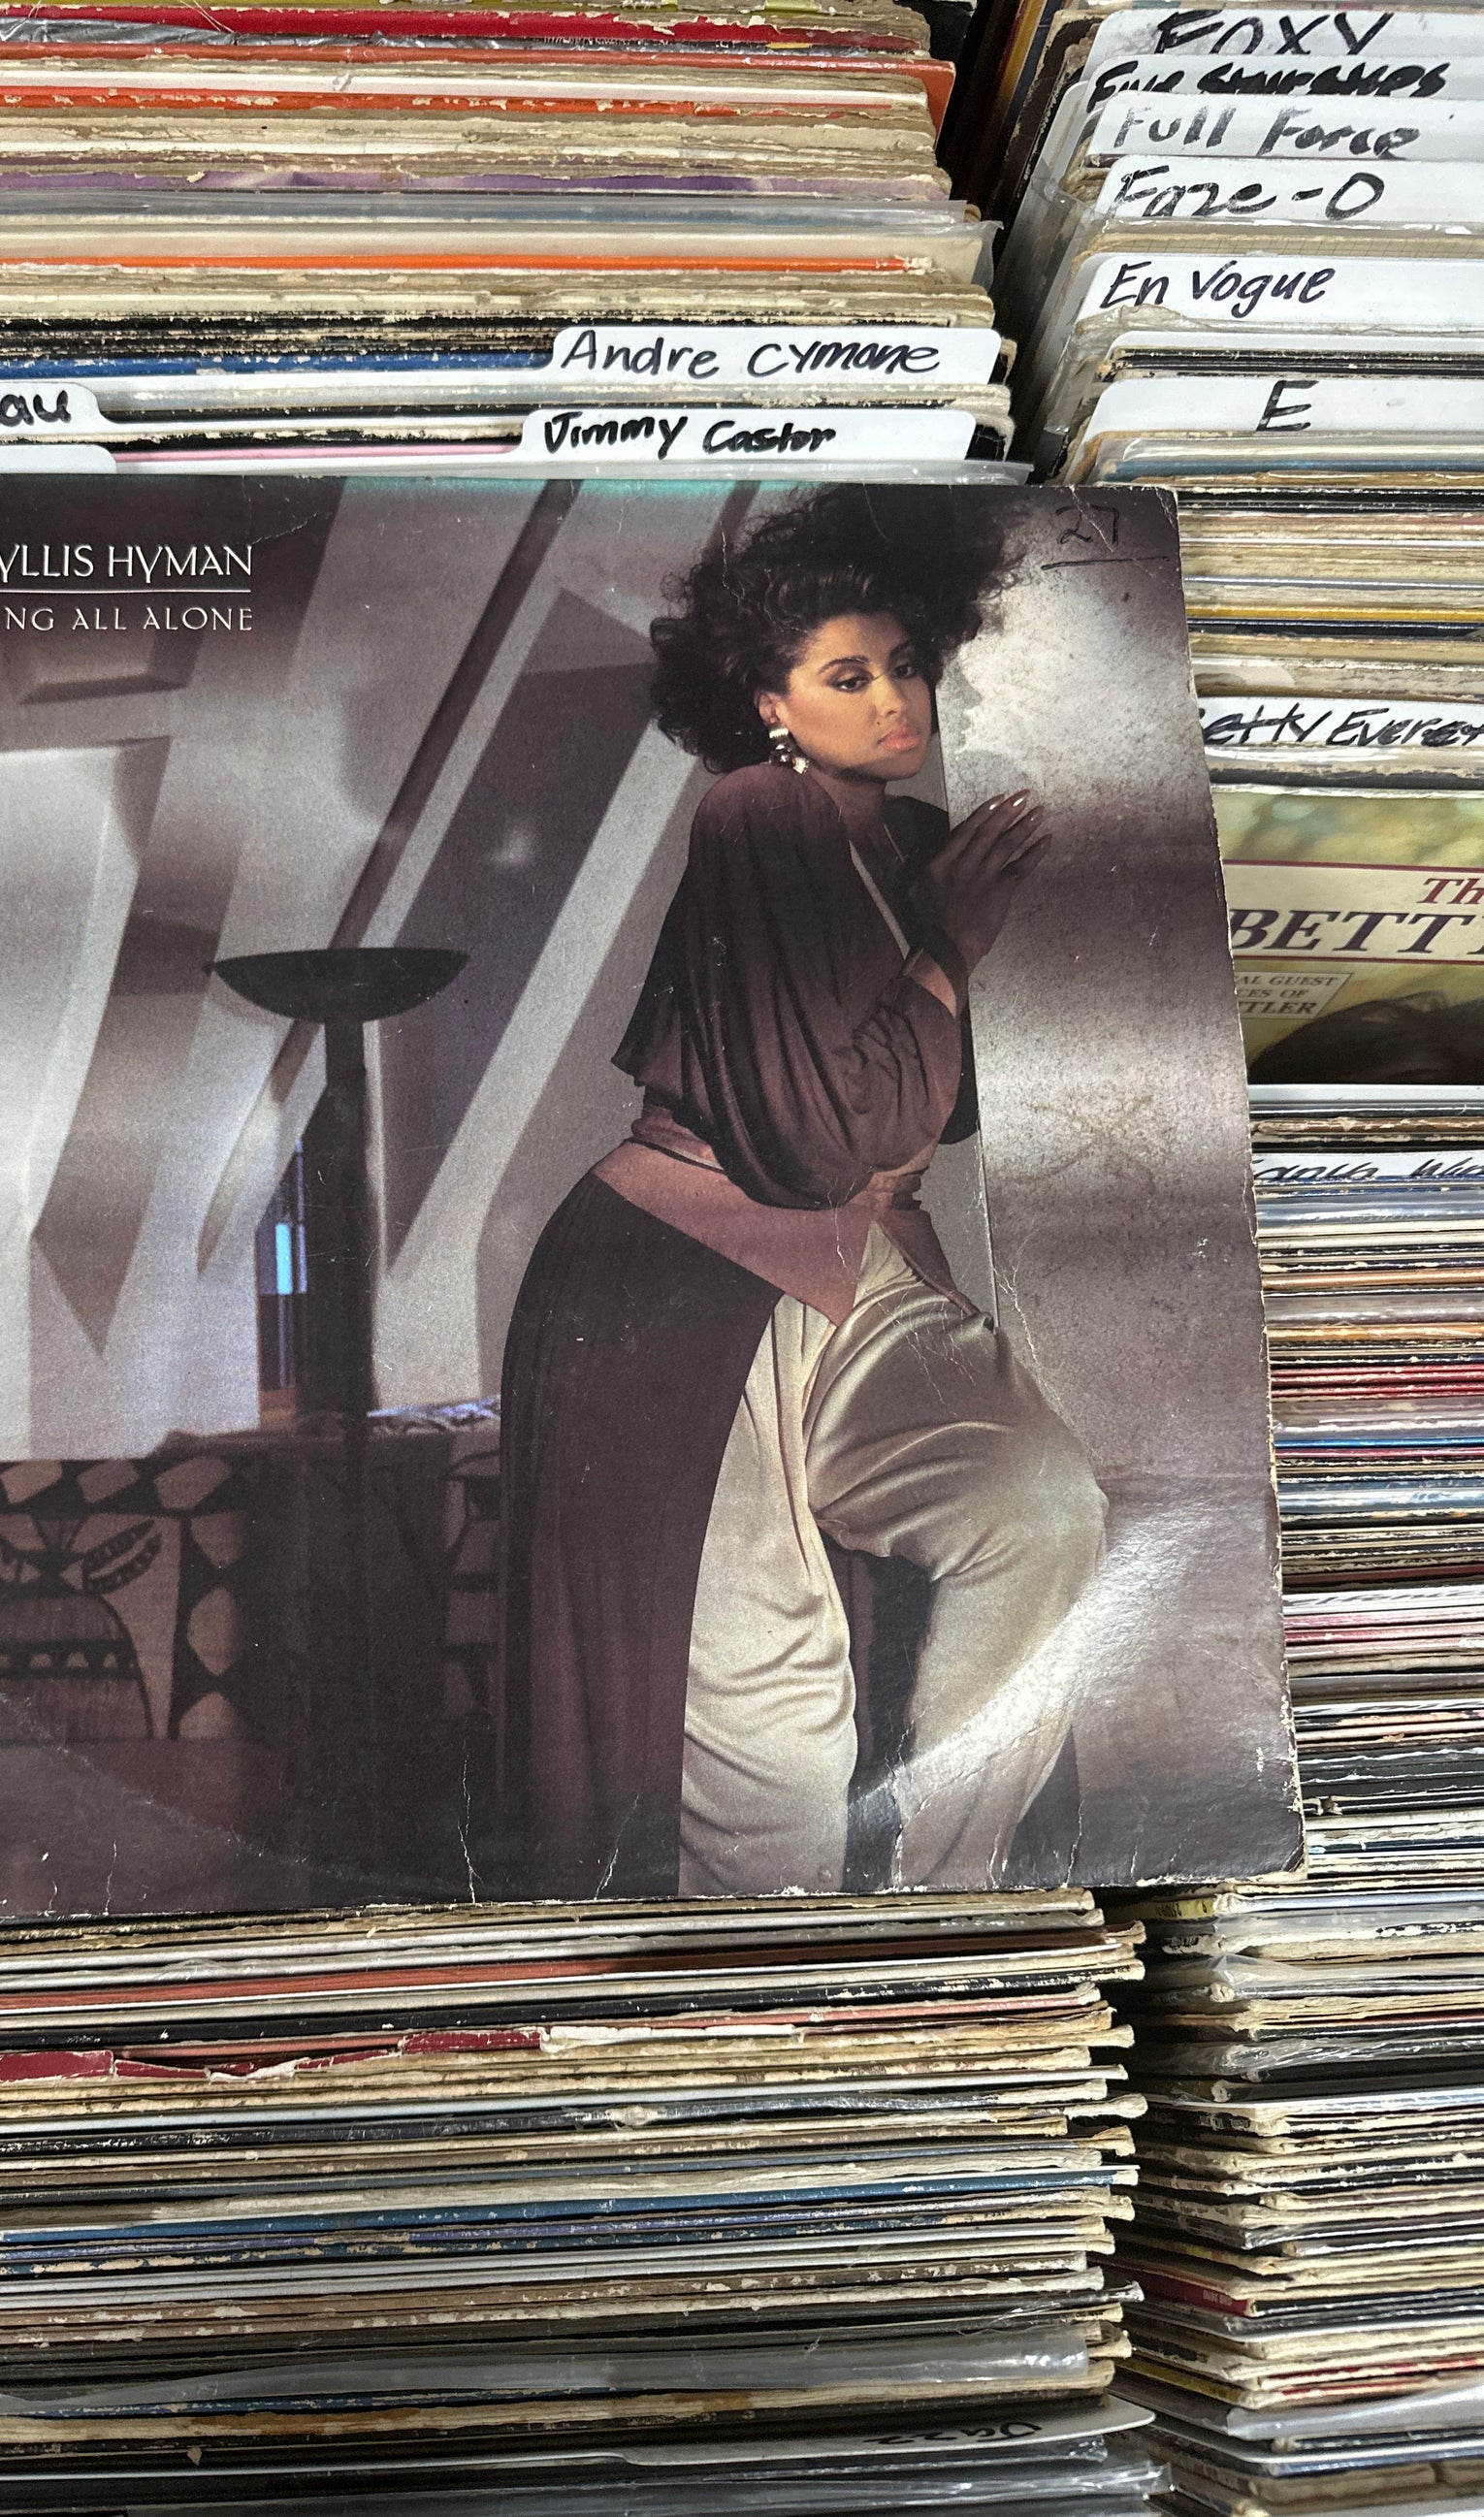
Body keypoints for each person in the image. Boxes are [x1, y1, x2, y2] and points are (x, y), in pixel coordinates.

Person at [498, 487, 1107, 1899]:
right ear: (769, 706)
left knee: (1037, 1508)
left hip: (860, 1263)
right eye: (846, 676)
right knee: (764, 1727)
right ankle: (767, 1982)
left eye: (905, 665)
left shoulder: (906, 843)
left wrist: (938, 938)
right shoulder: (755, 814)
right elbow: (821, 1139)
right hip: (681, 1277)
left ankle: (939, 1910)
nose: (893, 700)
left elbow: (931, 1118)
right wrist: (951, 948)